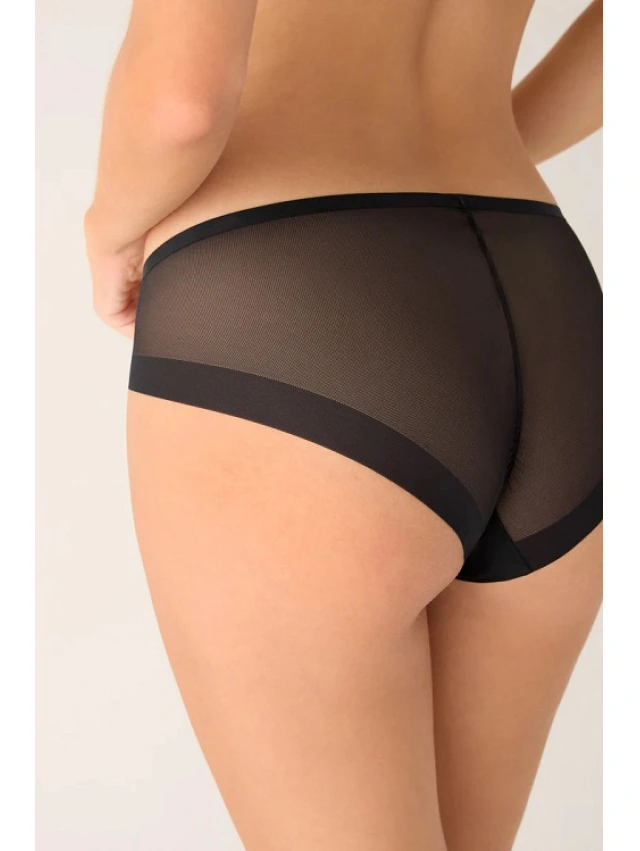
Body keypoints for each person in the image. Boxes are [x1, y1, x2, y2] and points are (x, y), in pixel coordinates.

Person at [84, 2, 603, 849]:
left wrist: (107, 231)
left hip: (297, 294)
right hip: (547, 300)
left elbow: (181, 104)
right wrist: (492, 134)